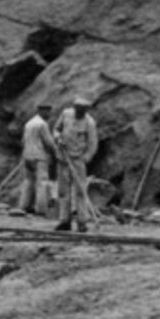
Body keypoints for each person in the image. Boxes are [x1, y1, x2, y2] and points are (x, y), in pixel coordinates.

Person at [53, 97, 99, 233]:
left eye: (83, 110)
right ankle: (64, 221)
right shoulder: (66, 114)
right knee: (63, 191)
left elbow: (92, 144)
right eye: (78, 109)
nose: (80, 112)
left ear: (86, 110)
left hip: (78, 159)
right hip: (63, 158)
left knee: (80, 191)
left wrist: (85, 158)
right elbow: (56, 129)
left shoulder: (89, 122)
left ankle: (82, 222)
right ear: (74, 107)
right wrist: (57, 138)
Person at [17, 103, 58, 216]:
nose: (49, 114)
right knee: (42, 183)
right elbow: (49, 142)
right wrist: (56, 152)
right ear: (42, 111)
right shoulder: (42, 124)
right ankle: (41, 209)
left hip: (27, 156)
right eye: (48, 112)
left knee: (28, 181)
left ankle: (24, 206)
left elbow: (23, 141)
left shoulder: (29, 123)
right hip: (39, 156)